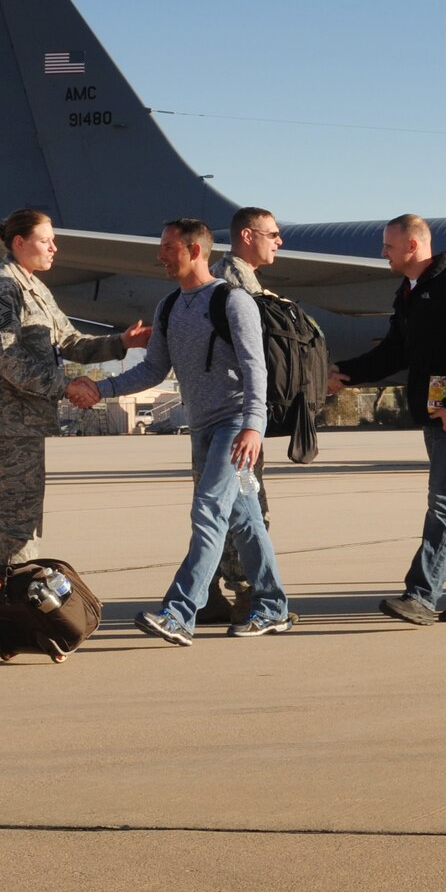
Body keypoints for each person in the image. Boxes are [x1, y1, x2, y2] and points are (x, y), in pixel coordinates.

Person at [69, 218, 293, 643]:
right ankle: (272, 607)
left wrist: (253, 426)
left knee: (208, 512)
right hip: (203, 428)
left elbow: (254, 369)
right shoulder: (169, 306)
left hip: (235, 426)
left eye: (169, 247)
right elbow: (153, 369)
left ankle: (178, 613)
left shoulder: (233, 301)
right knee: (243, 521)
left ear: (195, 250)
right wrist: (101, 388)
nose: (161, 255)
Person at [0, 208, 149, 641]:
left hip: (22, 419)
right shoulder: (3, 289)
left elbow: (69, 341)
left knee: (7, 515)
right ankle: (16, 616)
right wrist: (66, 387)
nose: (54, 248)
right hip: (5, 420)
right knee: (19, 520)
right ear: (19, 243)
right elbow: (7, 358)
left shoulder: (34, 289)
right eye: (46, 240)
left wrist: (122, 342)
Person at [329, 214, 446, 625]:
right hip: (439, 408)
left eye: (389, 246)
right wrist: (345, 372)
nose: (383, 253)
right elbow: (395, 352)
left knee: (445, 498)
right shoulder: (411, 291)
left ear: (412, 246)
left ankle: (422, 596)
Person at [195, 204, 285, 624]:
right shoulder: (233, 285)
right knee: (243, 502)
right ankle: (247, 592)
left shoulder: (245, 282)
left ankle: (210, 592)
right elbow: (251, 360)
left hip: (233, 418)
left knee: (228, 501)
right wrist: (253, 420)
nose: (279, 242)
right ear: (247, 236)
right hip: (234, 420)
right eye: (272, 234)